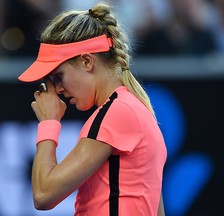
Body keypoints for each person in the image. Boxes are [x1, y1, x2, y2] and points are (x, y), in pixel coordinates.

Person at [18, 2, 166, 216]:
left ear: (87, 61)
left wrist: (49, 122)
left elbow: (43, 194)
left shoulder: (117, 112)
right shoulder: (133, 109)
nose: (58, 89)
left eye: (58, 76)